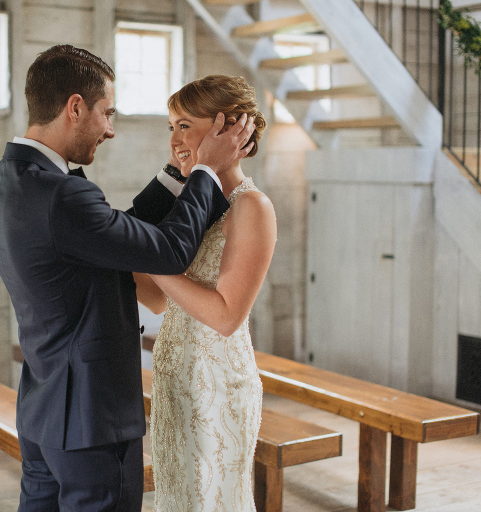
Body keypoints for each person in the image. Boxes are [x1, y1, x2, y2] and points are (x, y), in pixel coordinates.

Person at [0, 46, 255, 512]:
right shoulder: (64, 195)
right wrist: (205, 169)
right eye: (106, 113)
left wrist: (177, 175)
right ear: (75, 108)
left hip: (45, 410)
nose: (111, 128)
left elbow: (114, 235)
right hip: (91, 417)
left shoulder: (13, 179)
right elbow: (168, 251)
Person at [135, 75, 276, 512]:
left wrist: (158, 257)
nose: (175, 139)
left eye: (185, 125)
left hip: (218, 383)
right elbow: (155, 297)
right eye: (171, 127)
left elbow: (226, 316)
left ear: (228, 133)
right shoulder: (190, 201)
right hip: (175, 376)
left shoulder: (252, 206)